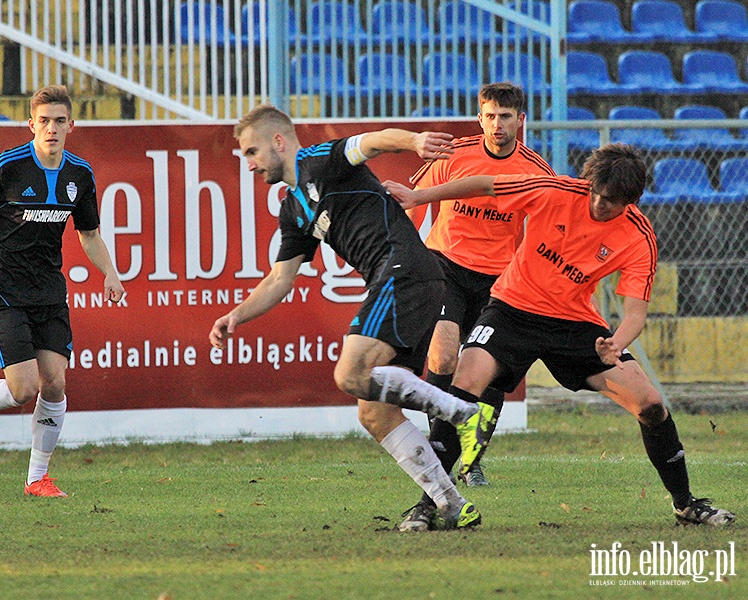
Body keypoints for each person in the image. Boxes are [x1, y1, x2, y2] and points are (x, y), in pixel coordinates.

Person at [382, 143, 735, 527]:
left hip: (575, 323)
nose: (600, 204)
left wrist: (617, 343)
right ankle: (428, 504)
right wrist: (418, 196)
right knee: (462, 387)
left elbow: (635, 312)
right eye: (596, 193)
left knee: (650, 404)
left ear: (631, 201)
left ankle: (685, 504)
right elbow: (485, 184)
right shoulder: (555, 190)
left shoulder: (638, 236)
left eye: (612, 201)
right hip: (511, 310)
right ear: (588, 183)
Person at [210, 104, 486, 529]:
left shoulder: (318, 162)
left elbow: (372, 141)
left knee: (350, 373)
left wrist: (413, 141)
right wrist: (236, 316)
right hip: (411, 281)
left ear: (279, 142)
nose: (248, 164)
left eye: (251, 152)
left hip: (404, 271)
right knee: (373, 413)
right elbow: (280, 279)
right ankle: (450, 503)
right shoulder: (293, 208)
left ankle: (462, 413)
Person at [0, 85, 125, 497]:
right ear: (31, 125)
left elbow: (89, 234)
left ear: (71, 125)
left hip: (49, 292)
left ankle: (36, 478)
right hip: (4, 291)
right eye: (44, 121)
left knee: (55, 383)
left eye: (60, 121)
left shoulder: (80, 174)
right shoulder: (7, 166)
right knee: (24, 388)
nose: (52, 128)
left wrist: (110, 273)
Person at [399, 83, 555, 532]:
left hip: (500, 279)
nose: (497, 125)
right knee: (443, 357)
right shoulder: (453, 155)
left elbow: (540, 229)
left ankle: (472, 458)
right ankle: (438, 449)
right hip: (446, 266)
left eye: (506, 116)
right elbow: (410, 204)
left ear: (520, 120)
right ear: (479, 117)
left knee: (485, 370)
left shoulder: (534, 169)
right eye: (490, 116)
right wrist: (410, 258)